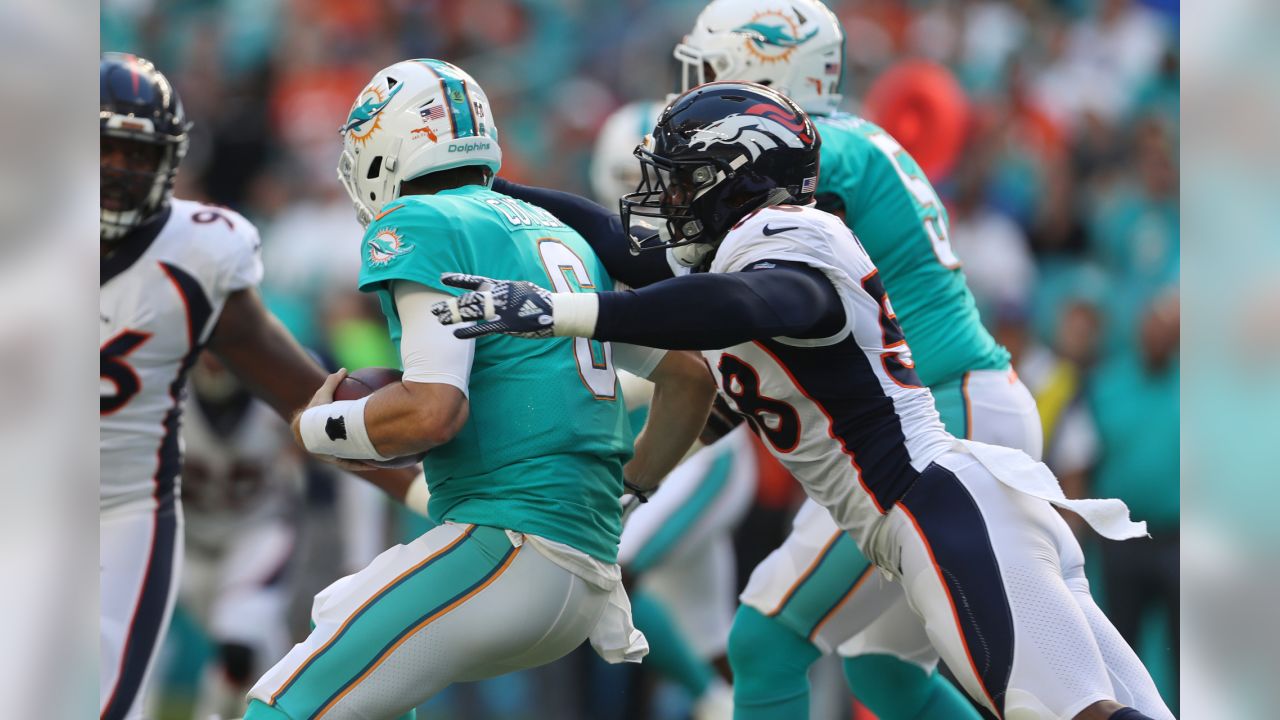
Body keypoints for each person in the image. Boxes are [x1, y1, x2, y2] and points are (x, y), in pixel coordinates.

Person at [433, 82, 1175, 720]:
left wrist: (564, 310)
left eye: (687, 179)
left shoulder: (791, 237)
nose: (669, 197)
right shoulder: (747, 242)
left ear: (743, 179)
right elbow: (622, 246)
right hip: (945, 511)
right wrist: (476, 188)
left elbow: (753, 303)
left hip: (932, 511)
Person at [243, 59, 715, 720]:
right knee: (346, 630)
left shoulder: (424, 224)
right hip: (579, 569)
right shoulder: (558, 234)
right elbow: (691, 378)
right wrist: (630, 491)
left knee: (278, 705)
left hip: (508, 546)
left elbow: (434, 413)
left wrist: (319, 428)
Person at [99, 53, 417, 720]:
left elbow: (308, 401)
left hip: (123, 513)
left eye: (135, 153)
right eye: (103, 149)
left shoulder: (195, 252)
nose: (117, 171)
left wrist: (423, 487)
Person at [178, 354, 304, 720]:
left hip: (257, 533)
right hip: (187, 542)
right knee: (255, 657)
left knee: (237, 647)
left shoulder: (279, 387)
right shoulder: (166, 387)